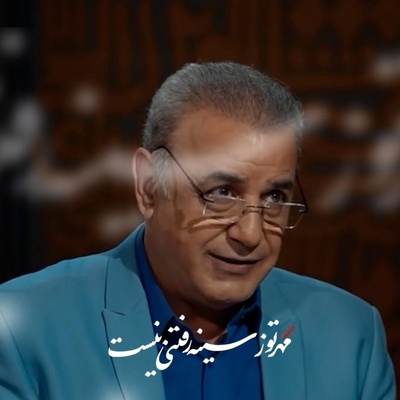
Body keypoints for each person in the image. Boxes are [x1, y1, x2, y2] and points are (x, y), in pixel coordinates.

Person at [0, 62, 395, 400]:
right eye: (222, 193)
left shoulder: (351, 338)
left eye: (274, 197)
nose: (251, 235)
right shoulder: (22, 330)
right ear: (149, 187)